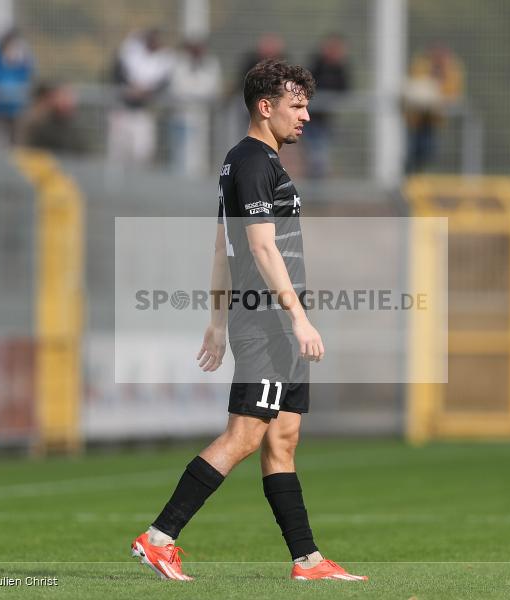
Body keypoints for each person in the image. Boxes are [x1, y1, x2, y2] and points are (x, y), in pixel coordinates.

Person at [130, 59, 367, 582]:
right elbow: (256, 245)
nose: (305, 115)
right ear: (266, 107)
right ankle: (158, 537)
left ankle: (307, 562)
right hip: (269, 322)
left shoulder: (254, 163)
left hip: (272, 322)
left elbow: (222, 247)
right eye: (297, 105)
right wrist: (297, 317)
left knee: (283, 440)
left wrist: (216, 323)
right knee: (244, 435)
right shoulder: (252, 161)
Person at [108, 28, 174, 167]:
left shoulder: (163, 59)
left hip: (143, 112)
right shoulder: (132, 53)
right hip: (123, 110)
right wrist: (131, 87)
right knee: (119, 153)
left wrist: (146, 92)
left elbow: (163, 82)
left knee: (142, 152)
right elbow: (118, 72)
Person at [403, 44, 464, 173]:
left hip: (433, 119)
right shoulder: (421, 67)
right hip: (415, 118)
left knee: (428, 151)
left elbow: (452, 94)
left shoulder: (451, 71)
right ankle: (408, 179)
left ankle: (418, 177)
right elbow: (415, 88)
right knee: (412, 150)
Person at [168, 37, 221, 176]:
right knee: (181, 155)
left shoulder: (211, 64)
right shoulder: (180, 64)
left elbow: (212, 89)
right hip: (182, 116)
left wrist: (195, 94)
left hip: (202, 117)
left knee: (199, 157)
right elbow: (177, 89)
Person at [304, 33, 351, 179]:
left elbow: (344, 89)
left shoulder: (340, 68)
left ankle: (318, 189)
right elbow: (307, 84)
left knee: (319, 157)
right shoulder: (316, 64)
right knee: (315, 156)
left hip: (326, 120)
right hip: (309, 119)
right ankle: (315, 190)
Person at [17, 82, 87, 156]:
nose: (71, 102)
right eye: (65, 97)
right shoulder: (39, 121)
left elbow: (81, 149)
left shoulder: (67, 122)